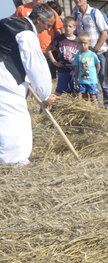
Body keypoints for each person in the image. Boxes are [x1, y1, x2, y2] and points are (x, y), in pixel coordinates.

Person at [0, 4, 57, 165]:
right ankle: (13, 161)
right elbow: (36, 67)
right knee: (15, 119)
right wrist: (45, 94)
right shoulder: (27, 34)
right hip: (6, 82)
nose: (46, 30)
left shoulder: (6, 22)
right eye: (47, 26)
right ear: (38, 20)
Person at [73, 0, 108, 108]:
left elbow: (104, 34)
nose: (77, 0)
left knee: (103, 82)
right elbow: (75, 34)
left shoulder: (95, 13)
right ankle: (94, 109)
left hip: (99, 53)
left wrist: (94, 51)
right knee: (87, 80)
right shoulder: (75, 14)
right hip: (84, 56)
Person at [46, 16, 79, 95]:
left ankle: (75, 107)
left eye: (70, 26)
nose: (67, 28)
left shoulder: (78, 41)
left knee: (75, 92)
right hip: (62, 69)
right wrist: (54, 62)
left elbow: (82, 54)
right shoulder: (59, 38)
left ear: (74, 27)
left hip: (74, 70)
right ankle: (51, 106)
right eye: (65, 26)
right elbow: (48, 50)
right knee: (59, 91)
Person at [74, 34, 100, 104]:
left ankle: (95, 111)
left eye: (85, 43)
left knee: (93, 97)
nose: (83, 44)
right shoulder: (78, 55)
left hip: (92, 81)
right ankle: (87, 111)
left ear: (89, 44)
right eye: (81, 43)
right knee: (84, 97)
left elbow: (98, 65)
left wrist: (95, 74)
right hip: (82, 81)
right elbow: (76, 68)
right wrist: (76, 79)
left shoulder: (92, 54)